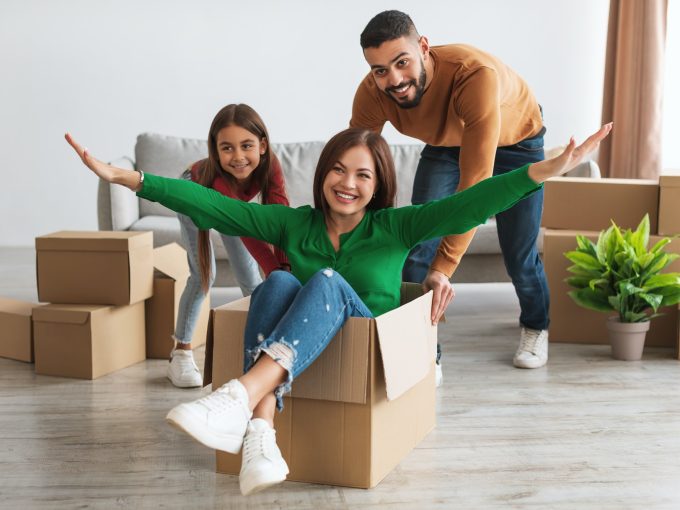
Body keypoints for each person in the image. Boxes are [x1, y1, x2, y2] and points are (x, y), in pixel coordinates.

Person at [65, 123, 611, 495]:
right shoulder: (294, 222)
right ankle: (260, 432)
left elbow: (473, 201)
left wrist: (548, 169)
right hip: (304, 352)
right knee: (277, 282)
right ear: (323, 171)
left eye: (363, 175)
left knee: (321, 279)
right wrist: (132, 180)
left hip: (367, 352)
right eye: (339, 170)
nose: (347, 184)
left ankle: (239, 395)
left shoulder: (397, 226)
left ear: (377, 187)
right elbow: (217, 206)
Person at [351, 10, 552, 376]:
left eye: (402, 62)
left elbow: (473, 189)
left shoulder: (473, 75)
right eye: (380, 70)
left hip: (517, 143)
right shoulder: (373, 91)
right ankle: (425, 351)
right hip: (447, 144)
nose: (393, 79)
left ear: (423, 47)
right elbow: (355, 162)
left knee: (519, 255)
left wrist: (443, 269)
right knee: (414, 244)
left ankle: (536, 326)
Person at [168, 104, 289, 388]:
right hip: (195, 195)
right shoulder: (219, 180)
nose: (237, 157)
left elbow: (280, 220)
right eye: (227, 148)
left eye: (246, 145)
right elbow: (248, 233)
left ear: (262, 145)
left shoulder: (271, 165)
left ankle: (259, 348)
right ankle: (180, 354)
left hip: (235, 208)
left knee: (251, 280)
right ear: (215, 150)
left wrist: (285, 270)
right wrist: (278, 276)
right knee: (203, 278)